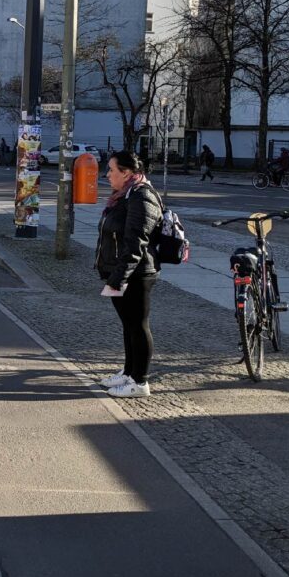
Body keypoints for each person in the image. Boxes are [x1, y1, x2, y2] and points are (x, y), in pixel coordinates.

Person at [93, 151, 164, 398]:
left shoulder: (142, 196)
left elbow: (135, 243)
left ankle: (140, 382)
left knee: (138, 326)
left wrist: (119, 277)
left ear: (126, 172)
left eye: (111, 170)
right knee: (128, 325)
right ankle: (129, 373)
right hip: (122, 270)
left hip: (137, 273)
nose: (107, 174)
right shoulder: (126, 194)